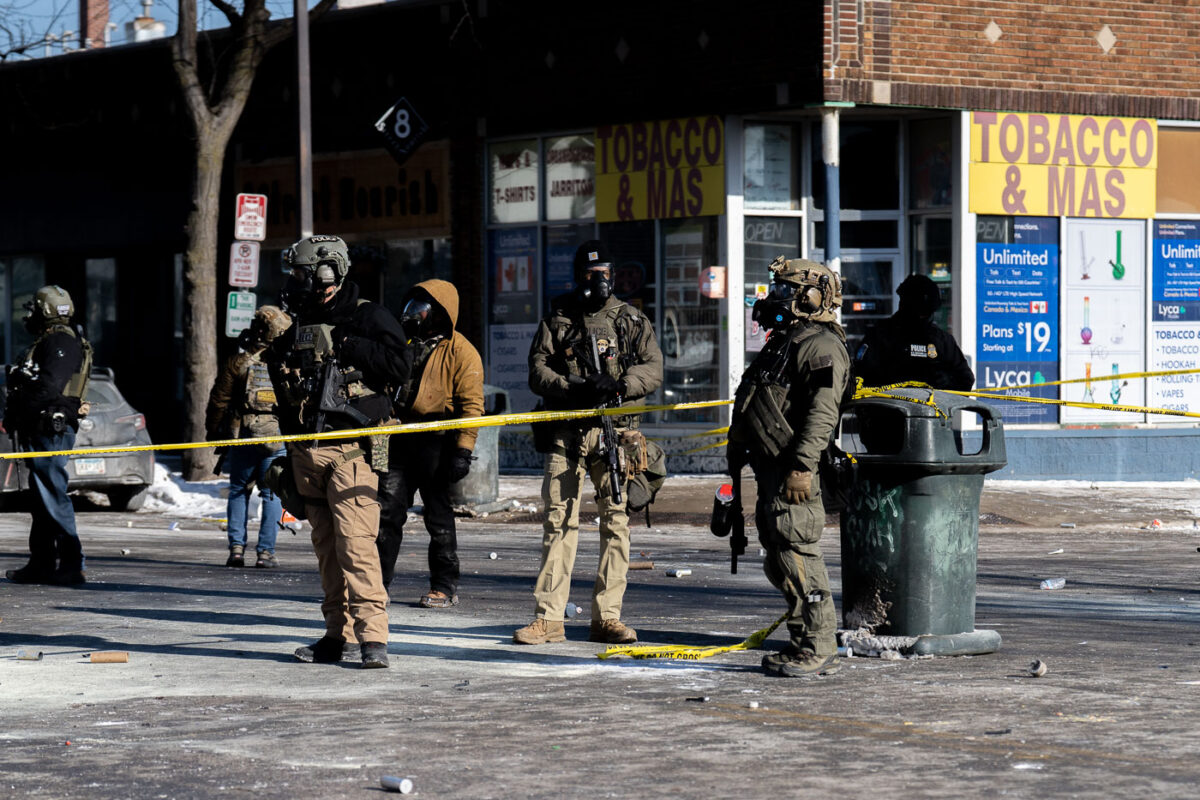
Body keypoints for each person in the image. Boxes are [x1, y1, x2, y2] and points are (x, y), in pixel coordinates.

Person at [266, 235, 412, 669]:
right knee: (327, 552)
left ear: (327, 272)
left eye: (301, 273)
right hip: (307, 452)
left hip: (351, 453)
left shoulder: (368, 317)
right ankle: (337, 636)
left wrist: (347, 344)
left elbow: (400, 366)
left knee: (357, 548)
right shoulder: (300, 325)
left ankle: (374, 640)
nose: (295, 282)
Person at [514, 240, 663, 646]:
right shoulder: (559, 318)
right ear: (578, 276)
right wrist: (571, 387)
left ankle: (607, 618)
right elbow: (537, 370)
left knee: (616, 522)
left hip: (617, 432)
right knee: (558, 521)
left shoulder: (631, 320)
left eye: (605, 275)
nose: (599, 282)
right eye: (590, 275)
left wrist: (620, 385)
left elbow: (653, 369)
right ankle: (548, 618)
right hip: (568, 431)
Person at [727, 257, 849, 678]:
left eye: (786, 289)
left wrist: (802, 466)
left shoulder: (821, 345)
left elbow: (822, 413)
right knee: (779, 559)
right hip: (770, 469)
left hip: (793, 471)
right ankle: (804, 640)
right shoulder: (788, 339)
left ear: (812, 296)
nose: (776, 297)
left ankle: (819, 645)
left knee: (798, 556)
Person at [376, 280, 484, 608]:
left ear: (438, 311)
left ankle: (444, 585)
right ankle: (377, 587)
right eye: (412, 307)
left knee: (438, 518)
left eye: (420, 308)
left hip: (437, 444)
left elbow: (472, 406)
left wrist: (463, 450)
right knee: (386, 515)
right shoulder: (404, 343)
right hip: (399, 438)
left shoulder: (460, 350)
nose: (413, 314)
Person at [4, 285, 93, 586]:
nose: (28, 316)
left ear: (45, 310)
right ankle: (41, 563)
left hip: (51, 429)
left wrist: (24, 392)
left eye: (33, 309)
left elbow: (50, 386)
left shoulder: (60, 341)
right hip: (40, 428)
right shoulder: (54, 339)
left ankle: (71, 562)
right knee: (41, 497)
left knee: (52, 494)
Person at [205, 305, 293, 569]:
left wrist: (214, 432)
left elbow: (219, 399)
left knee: (238, 491)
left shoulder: (239, 362)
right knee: (272, 494)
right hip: (276, 437)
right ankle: (266, 553)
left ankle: (236, 550)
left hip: (243, 434)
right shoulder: (285, 364)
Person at [854, 273, 974, 390]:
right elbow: (859, 376)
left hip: (931, 407)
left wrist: (947, 382)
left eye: (925, 313)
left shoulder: (942, 341)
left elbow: (965, 379)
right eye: (917, 311)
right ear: (903, 304)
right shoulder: (881, 335)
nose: (921, 317)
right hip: (889, 407)